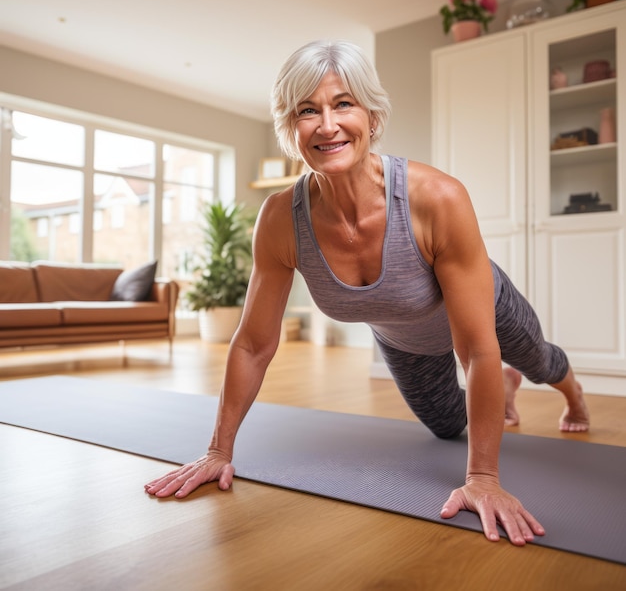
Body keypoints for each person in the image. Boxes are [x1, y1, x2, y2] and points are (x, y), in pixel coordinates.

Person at [145, 40, 590, 545]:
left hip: (481, 312)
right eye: (307, 110)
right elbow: (253, 344)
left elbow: (477, 349)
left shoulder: (436, 198)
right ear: (290, 128)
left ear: (372, 117)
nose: (327, 125)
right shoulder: (280, 220)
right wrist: (217, 451)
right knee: (446, 426)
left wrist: (483, 480)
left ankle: (571, 396)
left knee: (538, 359)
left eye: (343, 104)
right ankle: (504, 391)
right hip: (404, 336)